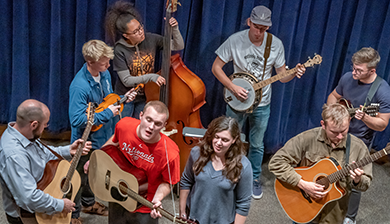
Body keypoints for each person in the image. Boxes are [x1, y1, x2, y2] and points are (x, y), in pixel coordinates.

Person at [211, 5, 306, 199]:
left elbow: (281, 77)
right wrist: (232, 87)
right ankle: (227, 174)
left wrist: (293, 73)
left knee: (257, 144)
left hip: (262, 104)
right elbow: (216, 68)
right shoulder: (235, 40)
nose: (259, 32)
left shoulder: (275, 44)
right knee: (228, 139)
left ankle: (254, 178)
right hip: (236, 101)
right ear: (249, 22)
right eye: (256, 27)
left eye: (264, 28)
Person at [68, 39, 137, 224]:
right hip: (85, 140)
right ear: (90, 62)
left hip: (103, 136)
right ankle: (73, 216)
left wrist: (123, 99)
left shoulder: (104, 74)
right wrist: (107, 113)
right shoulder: (79, 86)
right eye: (104, 61)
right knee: (78, 178)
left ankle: (89, 204)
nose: (108, 64)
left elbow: (106, 101)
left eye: (108, 60)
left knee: (93, 171)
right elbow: (77, 120)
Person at [268, 103, 372, 224]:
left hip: (333, 215)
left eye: (343, 131)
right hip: (303, 207)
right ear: (323, 125)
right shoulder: (307, 138)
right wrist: (302, 183)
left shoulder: (358, 148)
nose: (339, 137)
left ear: (349, 121)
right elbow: (276, 162)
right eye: (334, 132)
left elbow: (365, 184)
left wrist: (358, 180)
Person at [0, 99, 92, 224]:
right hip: (26, 215)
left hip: (42, 199)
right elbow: (29, 198)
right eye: (45, 125)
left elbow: (43, 153)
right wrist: (60, 205)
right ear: (33, 124)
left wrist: (68, 150)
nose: (45, 128)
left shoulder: (24, 133)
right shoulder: (14, 155)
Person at [327, 47, 390, 224]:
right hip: (336, 134)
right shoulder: (348, 77)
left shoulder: (382, 90)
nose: (354, 72)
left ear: (372, 70)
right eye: (354, 68)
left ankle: (349, 217)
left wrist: (366, 118)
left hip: (358, 140)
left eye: (359, 70)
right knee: (328, 170)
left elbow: (382, 124)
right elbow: (333, 96)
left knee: (355, 177)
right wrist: (333, 113)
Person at [91, 100, 180, 223]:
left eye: (157, 124)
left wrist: (157, 198)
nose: (151, 127)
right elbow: (114, 140)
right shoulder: (124, 125)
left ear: (164, 125)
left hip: (144, 204)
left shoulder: (170, 153)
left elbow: (168, 182)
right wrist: (97, 158)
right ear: (141, 115)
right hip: (117, 192)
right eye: (148, 120)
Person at [105, 1, 185, 119]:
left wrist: (175, 29)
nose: (141, 32)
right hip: (126, 96)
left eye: (140, 27)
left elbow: (178, 46)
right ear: (126, 35)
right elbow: (127, 80)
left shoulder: (151, 38)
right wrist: (152, 77)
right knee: (124, 126)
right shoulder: (119, 50)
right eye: (135, 32)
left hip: (145, 95)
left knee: (139, 127)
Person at [179, 116, 253, 224]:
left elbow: (243, 203)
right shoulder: (197, 153)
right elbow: (186, 181)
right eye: (216, 137)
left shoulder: (243, 165)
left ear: (234, 140)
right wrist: (182, 212)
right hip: (193, 218)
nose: (218, 143)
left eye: (225, 140)